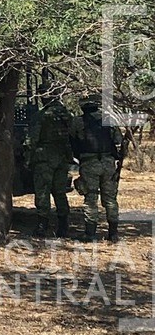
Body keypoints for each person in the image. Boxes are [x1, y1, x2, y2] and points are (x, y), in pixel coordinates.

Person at [71, 95, 125, 243]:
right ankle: (113, 233)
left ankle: (90, 234)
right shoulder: (109, 119)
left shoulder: (77, 121)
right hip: (108, 163)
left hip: (89, 163)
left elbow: (72, 140)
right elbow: (118, 141)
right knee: (110, 199)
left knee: (91, 198)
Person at [27, 97, 73, 238]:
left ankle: (42, 226)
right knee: (59, 191)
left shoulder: (42, 116)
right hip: (63, 156)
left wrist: (28, 158)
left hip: (44, 158)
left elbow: (32, 139)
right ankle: (63, 226)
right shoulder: (67, 115)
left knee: (43, 191)